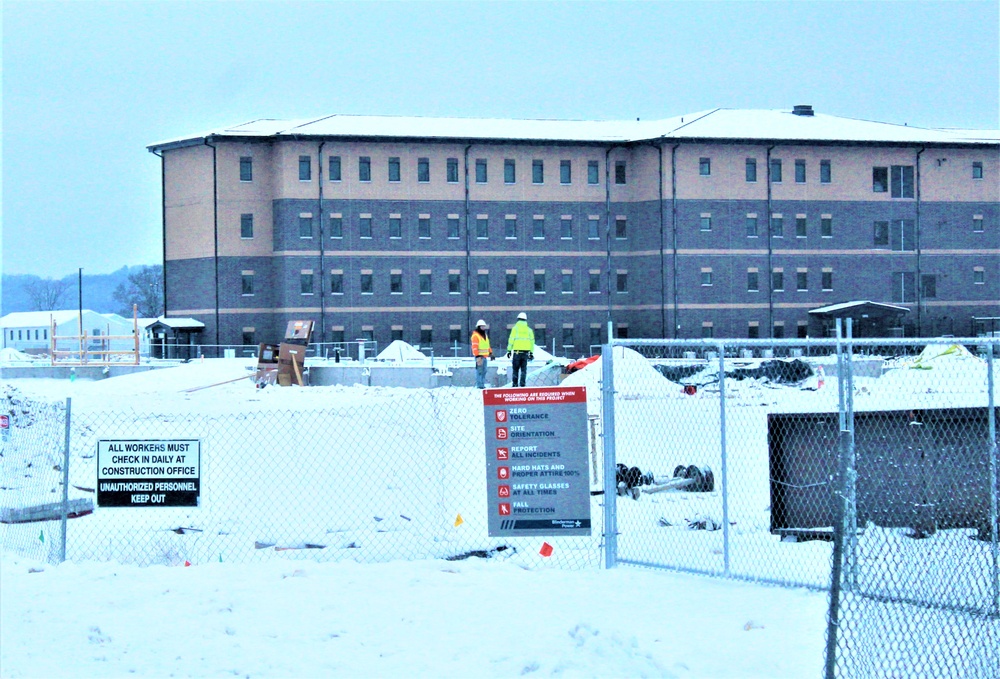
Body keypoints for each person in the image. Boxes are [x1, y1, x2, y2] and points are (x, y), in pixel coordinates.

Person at [505, 312, 535, 387]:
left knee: (515, 370)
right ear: (525, 320)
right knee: (523, 370)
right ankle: (522, 384)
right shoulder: (529, 330)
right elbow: (532, 342)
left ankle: (515, 385)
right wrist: (531, 353)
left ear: (518, 319)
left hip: (517, 353)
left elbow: (511, 340)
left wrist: (509, 351)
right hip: (525, 353)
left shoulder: (515, 329)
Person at [470, 319, 493, 389]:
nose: (483, 328)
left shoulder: (484, 335)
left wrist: (491, 353)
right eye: (482, 326)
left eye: (484, 326)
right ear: (478, 327)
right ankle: (480, 385)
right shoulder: (475, 336)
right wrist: (477, 356)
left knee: (484, 371)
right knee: (480, 371)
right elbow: (474, 347)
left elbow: (487, 345)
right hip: (479, 357)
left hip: (485, 356)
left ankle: (482, 384)